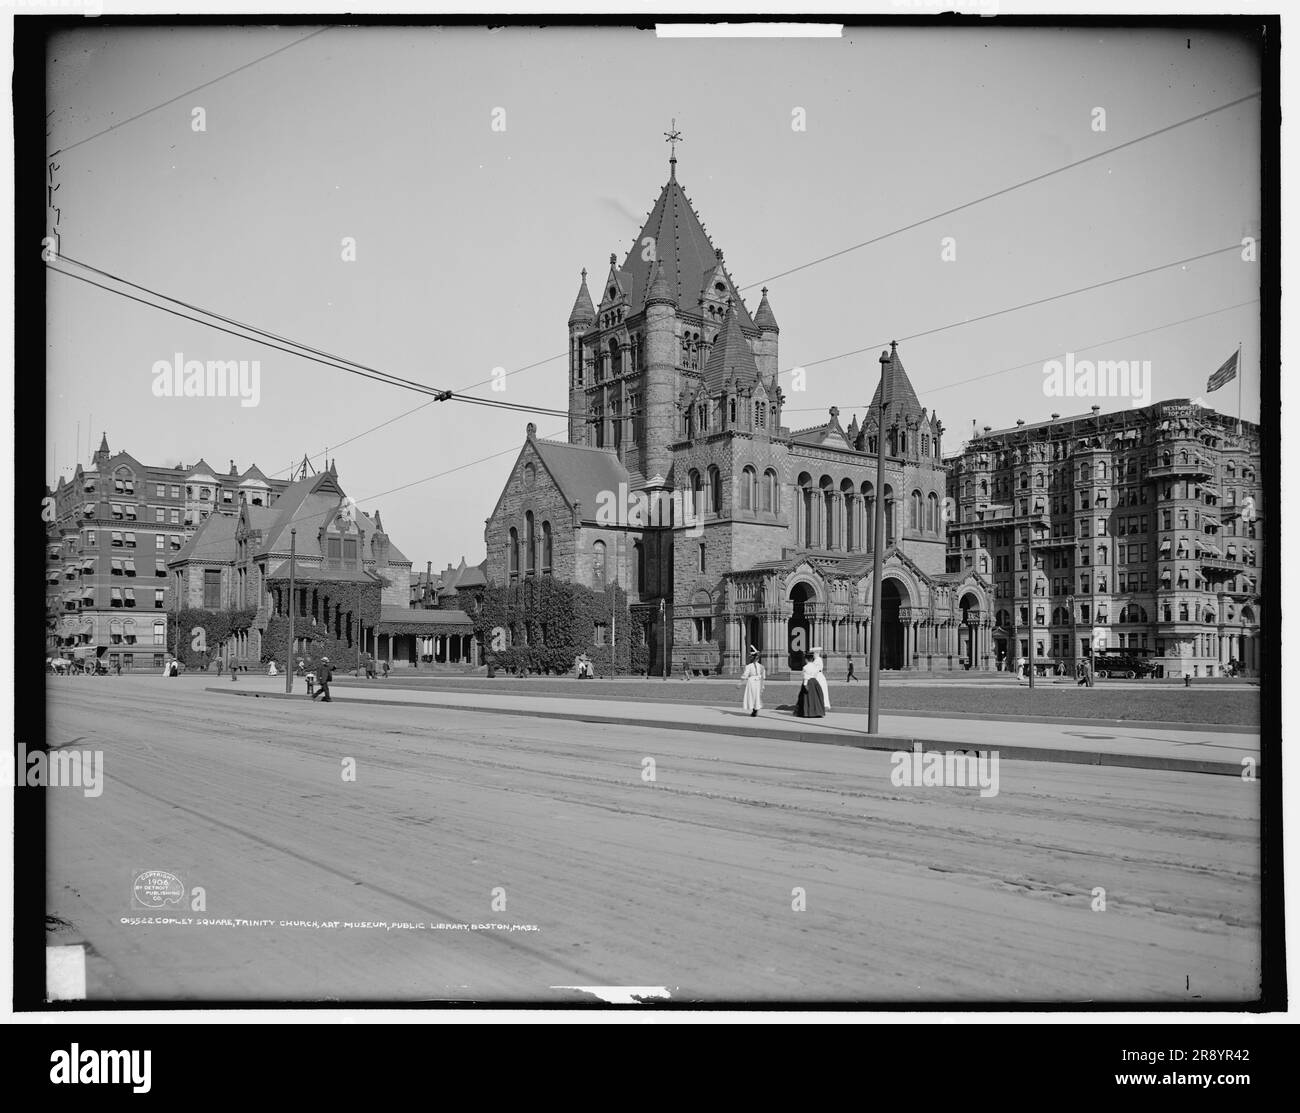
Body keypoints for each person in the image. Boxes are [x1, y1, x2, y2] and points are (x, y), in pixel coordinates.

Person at [795, 648, 826, 718]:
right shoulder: (815, 666)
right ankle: (817, 712)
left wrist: (805, 685)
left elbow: (805, 677)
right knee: (816, 697)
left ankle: (807, 712)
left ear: (806, 659)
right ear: (812, 659)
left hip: (808, 682)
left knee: (807, 698)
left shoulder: (805, 667)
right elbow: (816, 673)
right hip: (815, 682)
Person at [740, 649, 765, 716]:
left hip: (752, 681)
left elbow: (745, 675)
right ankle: (755, 709)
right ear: (758, 659)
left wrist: (740, 683)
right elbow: (763, 677)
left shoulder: (749, 666)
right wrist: (762, 685)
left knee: (752, 696)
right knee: (757, 696)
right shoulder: (761, 667)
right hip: (758, 681)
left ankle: (754, 709)